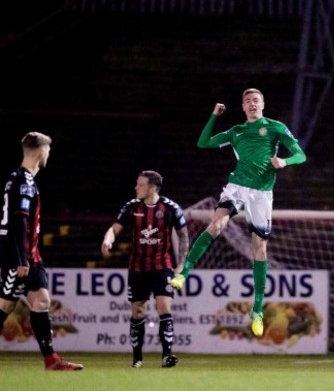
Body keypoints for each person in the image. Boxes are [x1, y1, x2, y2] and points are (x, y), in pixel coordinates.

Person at [169, 88, 306, 337]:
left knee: (260, 249)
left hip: (262, 194)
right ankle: (184, 272)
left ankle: (257, 309)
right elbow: (203, 143)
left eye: (256, 100)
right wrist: (214, 116)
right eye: (247, 102)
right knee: (217, 225)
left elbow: (301, 154)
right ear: (243, 107)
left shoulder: (276, 127)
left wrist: (285, 162)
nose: (252, 104)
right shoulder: (236, 132)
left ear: (263, 103)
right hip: (237, 188)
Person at [0, 132, 83, 371]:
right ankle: (51, 359)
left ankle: (51, 360)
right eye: (48, 150)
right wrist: (21, 258)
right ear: (40, 152)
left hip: (28, 255)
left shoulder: (18, 178)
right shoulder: (23, 181)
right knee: (6, 306)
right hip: (18, 256)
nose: (49, 154)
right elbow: (19, 221)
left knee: (41, 301)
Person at [101, 170, 189, 368]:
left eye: (140, 185)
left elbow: (183, 236)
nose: (136, 187)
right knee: (138, 312)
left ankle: (167, 355)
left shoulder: (170, 208)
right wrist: (108, 238)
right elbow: (115, 228)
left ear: (152, 188)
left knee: (164, 307)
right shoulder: (131, 207)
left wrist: (181, 265)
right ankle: (137, 358)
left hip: (162, 266)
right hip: (138, 268)